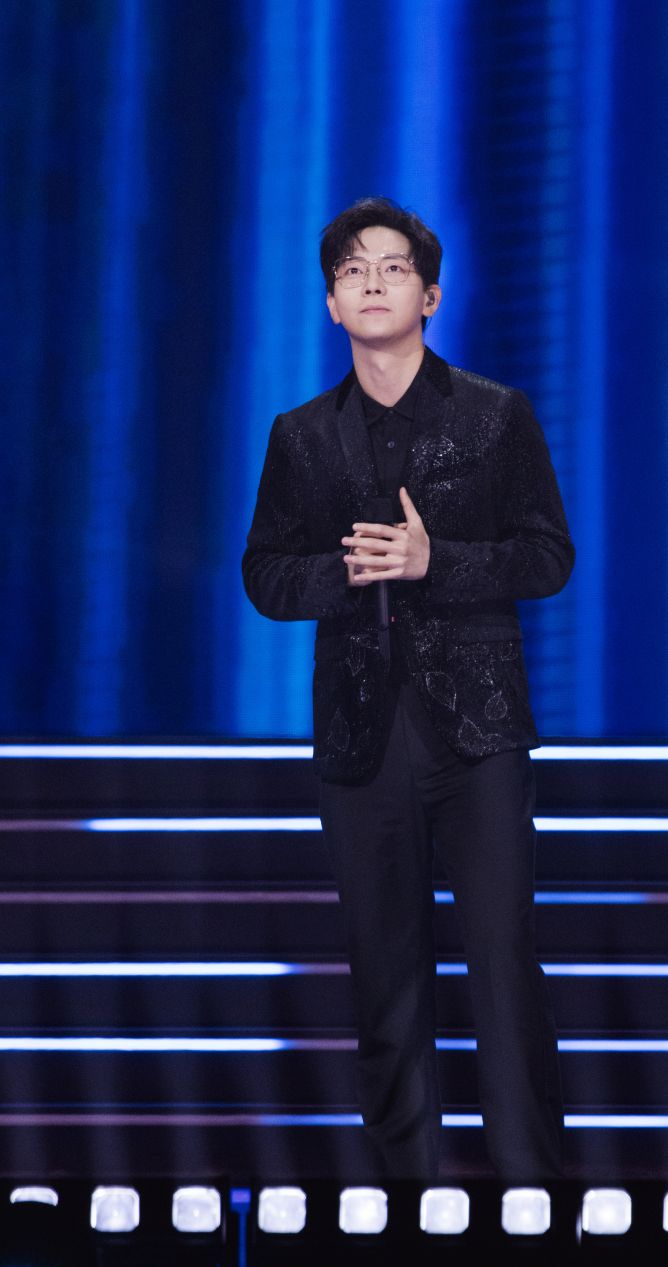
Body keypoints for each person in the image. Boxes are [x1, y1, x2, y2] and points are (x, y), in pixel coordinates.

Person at [242, 197, 574, 1181]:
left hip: (477, 732)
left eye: (393, 267)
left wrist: (438, 561)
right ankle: (404, 1205)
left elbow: (548, 556)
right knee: (386, 977)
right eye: (352, 271)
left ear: (429, 294)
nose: (373, 281)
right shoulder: (302, 436)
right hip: (360, 736)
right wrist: (346, 573)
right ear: (331, 305)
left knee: (502, 966)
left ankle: (530, 1200)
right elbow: (265, 576)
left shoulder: (495, 415)